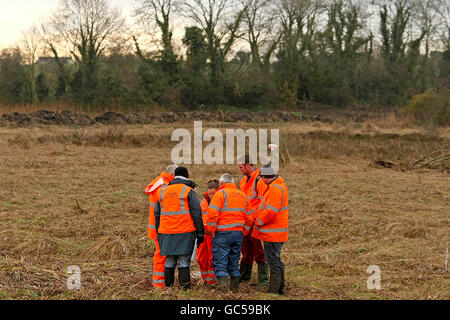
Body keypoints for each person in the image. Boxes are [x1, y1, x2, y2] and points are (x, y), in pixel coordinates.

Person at [154, 167, 205, 290]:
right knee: (183, 261)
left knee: (169, 261)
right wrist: (200, 232)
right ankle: (185, 288)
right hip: (185, 232)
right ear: (187, 176)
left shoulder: (162, 191)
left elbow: (156, 213)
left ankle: (168, 287)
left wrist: (159, 231)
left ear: (174, 176)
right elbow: (197, 213)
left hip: (166, 232)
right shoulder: (188, 191)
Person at [206, 173, 250, 293]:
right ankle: (234, 290)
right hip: (238, 234)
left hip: (222, 234)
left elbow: (212, 214)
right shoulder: (243, 195)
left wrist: (211, 231)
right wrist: (244, 231)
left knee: (220, 262)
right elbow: (250, 216)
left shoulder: (220, 194)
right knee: (234, 261)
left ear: (221, 183)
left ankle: (223, 292)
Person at [251, 164, 289, 295]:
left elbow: (271, 211)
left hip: (273, 233)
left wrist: (258, 222)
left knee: (273, 261)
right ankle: (279, 289)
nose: (260, 180)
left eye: (261, 177)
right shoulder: (276, 186)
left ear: (266, 177)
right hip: (275, 232)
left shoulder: (275, 189)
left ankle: (274, 291)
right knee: (275, 260)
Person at [144, 164, 178, 288]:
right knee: (161, 255)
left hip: (158, 227)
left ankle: (161, 282)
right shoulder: (164, 186)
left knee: (162, 255)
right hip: (161, 228)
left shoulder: (160, 182)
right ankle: (159, 284)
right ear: (173, 174)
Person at [237, 155, 268, 287]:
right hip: (245, 220)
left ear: (248, 165)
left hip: (255, 220)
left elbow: (263, 201)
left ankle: (263, 279)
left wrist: (259, 219)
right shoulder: (244, 180)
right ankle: (244, 276)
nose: (240, 170)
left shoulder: (259, 180)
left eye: (241, 167)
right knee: (246, 249)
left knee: (258, 250)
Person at [197, 179, 220, 285]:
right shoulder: (203, 201)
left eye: (213, 193)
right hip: (203, 234)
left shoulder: (220, 201)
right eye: (209, 193)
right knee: (201, 258)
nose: (211, 195)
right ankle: (204, 279)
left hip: (214, 235)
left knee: (212, 258)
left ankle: (212, 280)